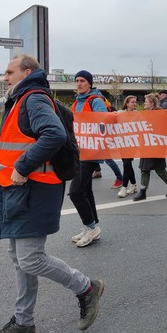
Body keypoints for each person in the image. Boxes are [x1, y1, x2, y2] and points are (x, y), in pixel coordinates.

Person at [0, 55, 103, 333]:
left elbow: (54, 134)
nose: (4, 77)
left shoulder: (33, 98)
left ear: (26, 72)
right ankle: (23, 321)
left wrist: (23, 166)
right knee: (19, 258)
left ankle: (87, 288)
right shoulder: (20, 99)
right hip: (19, 189)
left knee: (30, 258)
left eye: (9, 72)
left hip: (35, 190)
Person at [69, 70, 107, 248]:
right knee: (85, 190)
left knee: (75, 191)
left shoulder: (96, 101)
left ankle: (91, 227)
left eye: (82, 81)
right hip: (79, 152)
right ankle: (92, 226)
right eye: (77, 81)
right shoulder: (77, 103)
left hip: (91, 153)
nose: (78, 84)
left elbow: (103, 124)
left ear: (90, 84)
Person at [133, 93, 167, 201]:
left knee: (157, 168)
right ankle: (144, 191)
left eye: (146, 101)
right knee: (146, 168)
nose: (144, 103)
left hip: (155, 145)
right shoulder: (146, 113)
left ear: (152, 103)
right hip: (147, 144)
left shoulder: (159, 114)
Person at [117, 95, 138, 198]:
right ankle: (133, 184)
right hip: (122, 142)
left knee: (126, 163)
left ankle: (124, 187)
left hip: (132, 142)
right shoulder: (120, 113)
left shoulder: (137, 114)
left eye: (135, 102)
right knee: (127, 164)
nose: (134, 104)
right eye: (132, 102)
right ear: (127, 103)